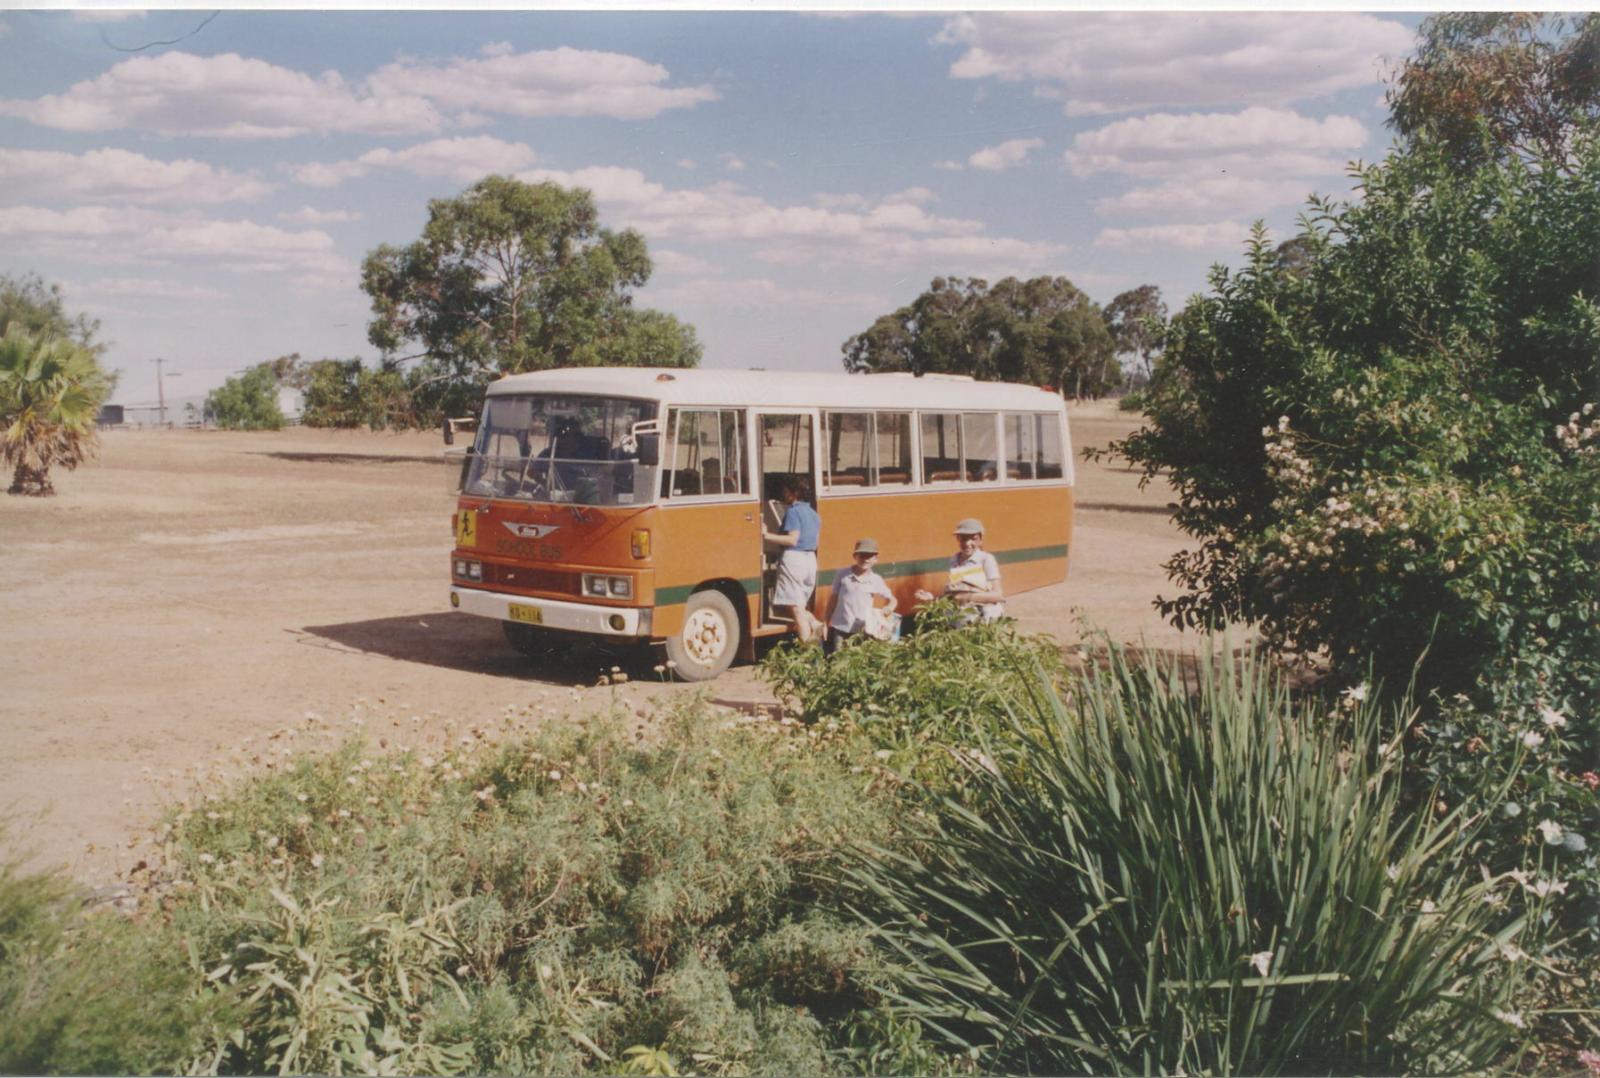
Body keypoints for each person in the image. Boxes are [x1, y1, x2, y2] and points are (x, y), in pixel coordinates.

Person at [764, 477, 822, 641]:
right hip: (810, 559)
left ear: (794, 493)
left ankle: (806, 649)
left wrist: (765, 535)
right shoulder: (814, 514)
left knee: (796, 611)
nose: (783, 494)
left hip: (794, 559)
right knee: (799, 605)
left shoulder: (793, 512)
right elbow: (816, 542)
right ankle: (816, 624)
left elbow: (792, 540)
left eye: (786, 491)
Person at [915, 517, 1004, 622]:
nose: (967, 543)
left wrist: (968, 597)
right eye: (964, 539)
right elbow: (955, 594)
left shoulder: (986, 559)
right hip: (961, 615)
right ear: (958, 539)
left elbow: (997, 595)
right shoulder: (954, 560)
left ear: (980, 540)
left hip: (984, 614)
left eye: (973, 538)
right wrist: (933, 598)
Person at [823, 537, 897, 655]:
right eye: (862, 555)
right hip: (841, 628)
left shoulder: (875, 580)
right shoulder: (842, 574)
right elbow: (833, 599)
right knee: (839, 658)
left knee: (858, 658)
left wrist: (890, 607)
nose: (865, 559)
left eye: (870, 556)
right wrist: (826, 623)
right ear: (855, 556)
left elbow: (892, 599)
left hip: (863, 630)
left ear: (876, 559)